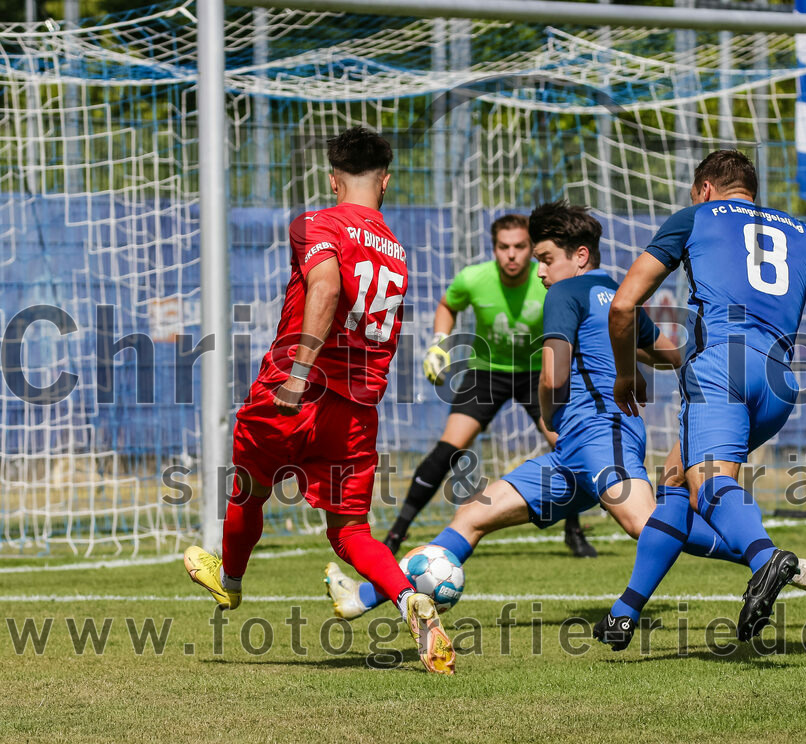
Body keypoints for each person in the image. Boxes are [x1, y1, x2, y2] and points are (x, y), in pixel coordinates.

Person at [595, 149, 806, 648]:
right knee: (674, 481)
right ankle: (624, 614)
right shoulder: (801, 231)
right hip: (778, 382)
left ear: (705, 188)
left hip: (721, 369)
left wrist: (626, 375)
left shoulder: (696, 217)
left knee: (709, 489)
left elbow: (624, 304)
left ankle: (765, 560)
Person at [182, 127, 454, 675]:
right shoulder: (397, 251)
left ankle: (229, 581)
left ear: (333, 179)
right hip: (356, 409)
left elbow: (326, 288)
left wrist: (298, 373)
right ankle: (410, 599)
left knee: (247, 490)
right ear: (387, 181)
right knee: (351, 531)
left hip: (299, 390)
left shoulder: (319, 222)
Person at [324, 200, 678, 619]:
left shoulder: (564, 291)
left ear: (580, 256)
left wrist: (548, 412)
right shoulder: (621, 298)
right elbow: (668, 354)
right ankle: (364, 597)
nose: (539, 270)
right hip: (566, 445)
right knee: (473, 512)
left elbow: (551, 377)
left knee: (647, 525)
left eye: (545, 259)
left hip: (602, 435)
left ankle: (758, 554)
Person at [383, 213, 597, 558]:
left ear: (531, 250)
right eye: (503, 247)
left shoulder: (549, 281)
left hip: (536, 373)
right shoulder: (473, 278)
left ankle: (574, 532)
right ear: (494, 248)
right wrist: (439, 342)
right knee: (448, 448)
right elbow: (447, 305)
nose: (511, 254)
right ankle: (396, 534)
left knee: (566, 446)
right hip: (487, 373)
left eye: (520, 247)